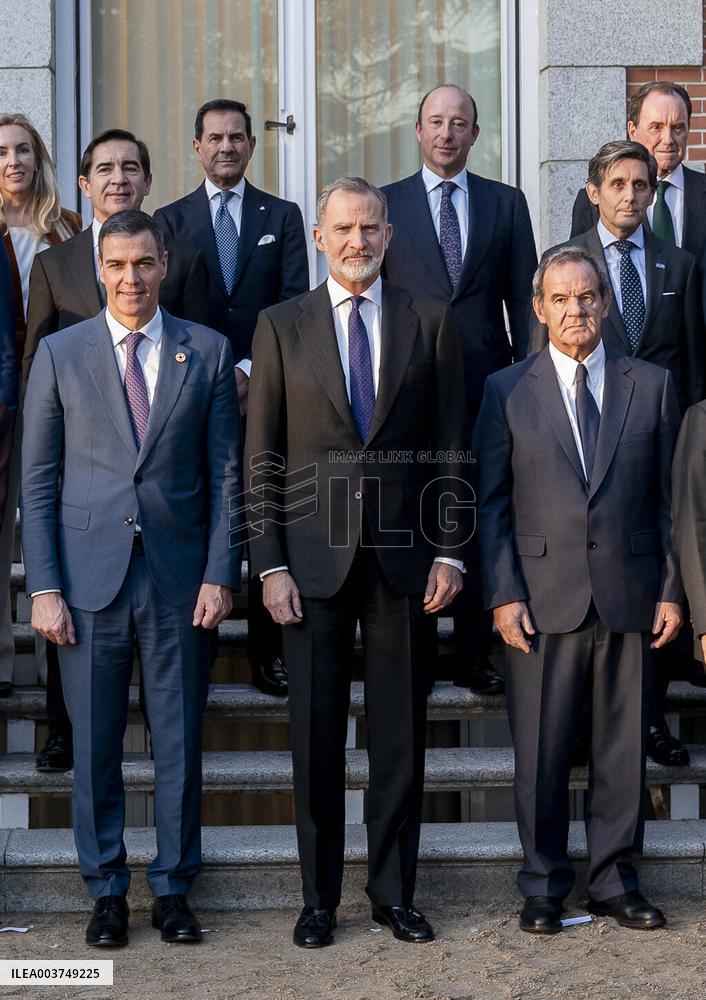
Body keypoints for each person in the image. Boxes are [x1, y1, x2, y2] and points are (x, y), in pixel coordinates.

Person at [244, 177, 471, 947]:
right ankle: (318, 901)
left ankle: (392, 895)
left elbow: (452, 446)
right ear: (319, 238)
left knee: (400, 741)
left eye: (371, 227)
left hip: (407, 564)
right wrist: (268, 565)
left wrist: (452, 549)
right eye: (343, 228)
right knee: (314, 740)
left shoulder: (430, 320)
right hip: (309, 568)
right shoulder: (280, 326)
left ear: (389, 234)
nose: (358, 241)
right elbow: (261, 456)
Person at [21, 210, 242, 948]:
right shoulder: (59, 353)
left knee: (179, 741)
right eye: (116, 265)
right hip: (88, 581)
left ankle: (175, 888)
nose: (130, 279)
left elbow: (225, 474)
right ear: (98, 271)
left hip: (181, 579)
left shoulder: (206, 353)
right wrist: (43, 586)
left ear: (164, 264)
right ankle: (106, 889)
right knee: (96, 745)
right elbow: (39, 479)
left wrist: (221, 571)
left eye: (144, 264)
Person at [474, 245, 682, 934]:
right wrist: (503, 594)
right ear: (538, 309)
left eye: (587, 296)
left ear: (606, 302)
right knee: (540, 752)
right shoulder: (506, 389)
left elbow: (670, 503)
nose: (576, 310)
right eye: (560, 299)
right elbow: (492, 503)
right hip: (540, 597)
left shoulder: (650, 384)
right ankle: (542, 885)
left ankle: (616, 882)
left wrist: (673, 590)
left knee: (622, 751)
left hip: (631, 591)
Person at [23, 127, 212, 774]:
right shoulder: (57, 263)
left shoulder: (181, 256)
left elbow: (198, 349)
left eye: (131, 166)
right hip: (89, 506)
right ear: (84, 182)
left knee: (177, 729)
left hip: (168, 517)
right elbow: (37, 366)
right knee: (84, 698)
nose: (118, 177)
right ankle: (60, 731)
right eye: (104, 167)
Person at [535, 139, 703, 766]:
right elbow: (539, 359)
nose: (630, 195)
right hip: (582, 436)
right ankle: (580, 722)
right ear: (594, 191)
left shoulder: (678, 266)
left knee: (652, 573)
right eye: (618, 184)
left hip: (658, 442)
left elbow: (690, 365)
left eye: (641, 185)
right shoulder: (564, 266)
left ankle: (650, 719)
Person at [381, 84, 537, 696]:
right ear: (418, 131)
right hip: (407, 387)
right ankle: (417, 648)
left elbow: (526, 306)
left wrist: (526, 382)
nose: (447, 133)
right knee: (419, 513)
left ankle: (475, 650)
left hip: (486, 385)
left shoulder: (506, 203)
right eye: (436, 122)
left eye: (460, 123)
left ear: (475, 134)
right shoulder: (386, 203)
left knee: (478, 508)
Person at [155, 98, 310, 698]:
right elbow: (162, 312)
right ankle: (199, 636)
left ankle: (267, 654)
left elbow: (293, 302)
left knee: (264, 514)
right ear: (196, 147)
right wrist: (213, 374)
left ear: (251, 145)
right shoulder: (167, 221)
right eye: (214, 138)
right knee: (204, 514)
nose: (226, 147)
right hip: (189, 393)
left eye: (237, 138)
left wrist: (249, 369)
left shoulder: (284, 215)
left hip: (265, 390)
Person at [0, 113, 81, 701]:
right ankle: (4, 662)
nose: (13, 161)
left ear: (39, 157)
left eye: (23, 150)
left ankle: (56, 658)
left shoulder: (69, 228)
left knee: (55, 522)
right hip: (5, 396)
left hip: (59, 391)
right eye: (2, 152)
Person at [570, 82, 706, 258]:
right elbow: (578, 266)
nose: (668, 139)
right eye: (656, 127)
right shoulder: (593, 201)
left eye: (677, 128)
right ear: (633, 131)